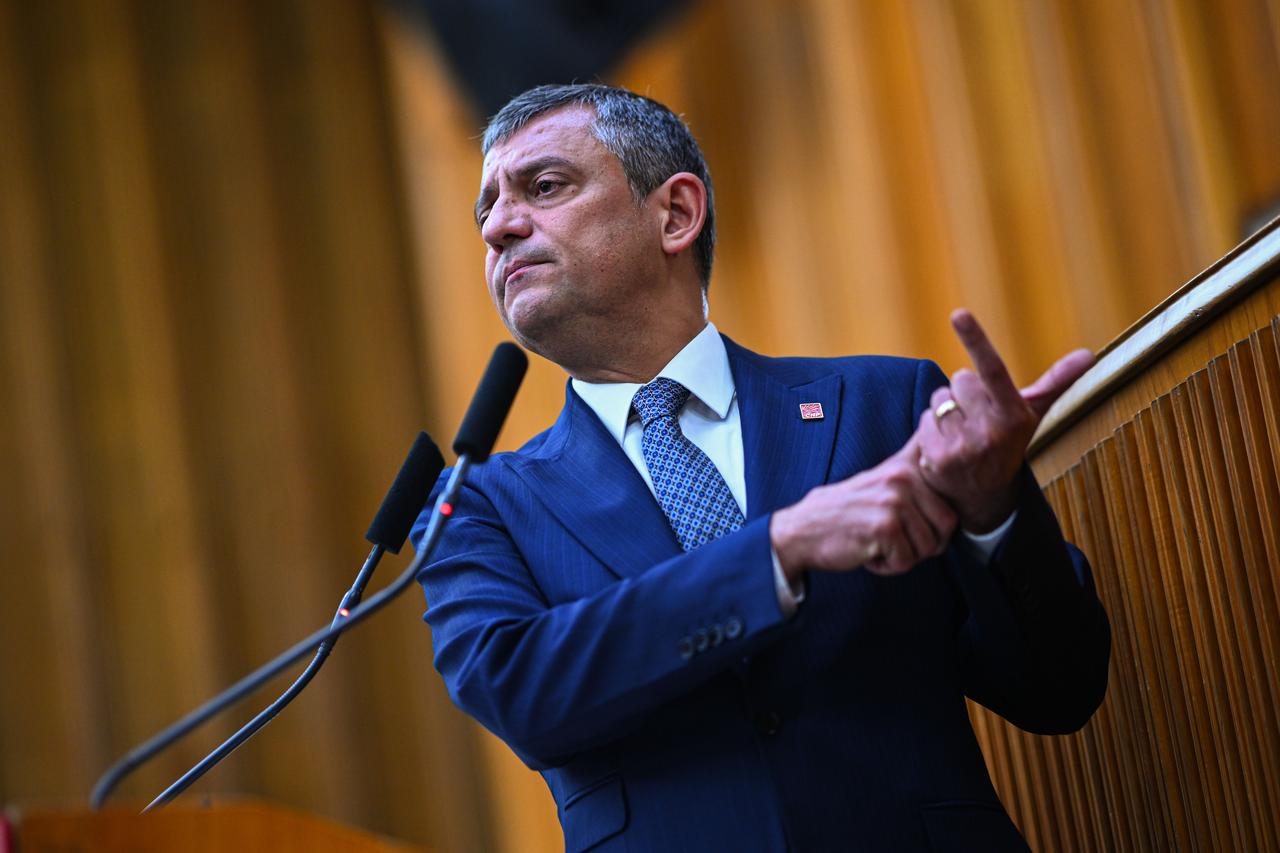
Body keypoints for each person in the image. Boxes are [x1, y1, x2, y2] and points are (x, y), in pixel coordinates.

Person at [411, 83, 1110, 853]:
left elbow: (1059, 687)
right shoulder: (475, 506)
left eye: (544, 187)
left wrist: (993, 514)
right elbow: (524, 690)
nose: (501, 227)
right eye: (487, 213)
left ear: (675, 213)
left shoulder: (887, 404)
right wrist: (776, 550)